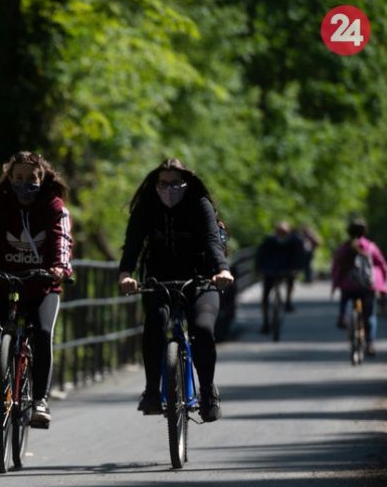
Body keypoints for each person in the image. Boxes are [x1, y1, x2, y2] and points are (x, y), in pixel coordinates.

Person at [118, 158, 234, 422]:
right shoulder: (147, 206)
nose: (168, 189)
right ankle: (151, 391)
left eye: (174, 183)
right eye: (163, 183)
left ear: (187, 182)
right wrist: (125, 274)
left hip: (202, 279)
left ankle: (207, 392)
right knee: (155, 322)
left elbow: (212, 241)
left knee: (202, 329)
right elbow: (133, 243)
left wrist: (222, 270)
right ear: (155, 183)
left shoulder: (199, 204)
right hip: (159, 279)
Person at [0, 151, 73, 429]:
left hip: (42, 287)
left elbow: (62, 240)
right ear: (9, 178)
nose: (24, 184)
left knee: (42, 333)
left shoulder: (54, 207)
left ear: (42, 178)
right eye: (18, 178)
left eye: (31, 178)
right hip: (3, 283)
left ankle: (39, 399)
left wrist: (60, 268)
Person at [331, 218, 387, 356]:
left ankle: (342, 315)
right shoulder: (370, 247)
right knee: (370, 316)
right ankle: (370, 344)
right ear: (365, 231)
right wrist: (382, 284)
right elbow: (382, 265)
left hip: (348, 285)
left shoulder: (344, 247)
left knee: (345, 295)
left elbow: (336, 267)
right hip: (367, 286)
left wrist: (336, 283)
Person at [255, 220, 305, 332]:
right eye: (280, 231)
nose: (282, 234)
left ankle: (288, 301)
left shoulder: (294, 241)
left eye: (284, 232)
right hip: (270, 270)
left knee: (291, 280)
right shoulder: (269, 240)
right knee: (265, 295)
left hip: (287, 269)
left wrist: (296, 269)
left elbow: (299, 256)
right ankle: (265, 322)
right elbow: (260, 256)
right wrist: (260, 270)